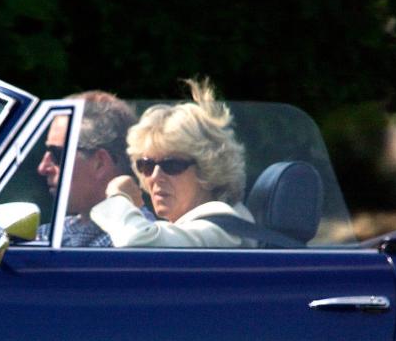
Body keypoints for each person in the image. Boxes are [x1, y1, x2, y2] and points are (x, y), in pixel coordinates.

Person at [89, 78, 255, 248]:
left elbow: (137, 243)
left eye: (172, 165)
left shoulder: (220, 224)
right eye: (147, 165)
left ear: (208, 169)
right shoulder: (191, 225)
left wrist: (117, 197)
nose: (155, 177)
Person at [36, 90, 140, 246]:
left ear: (100, 163)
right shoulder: (52, 233)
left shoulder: (133, 242)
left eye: (58, 154)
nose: (43, 167)